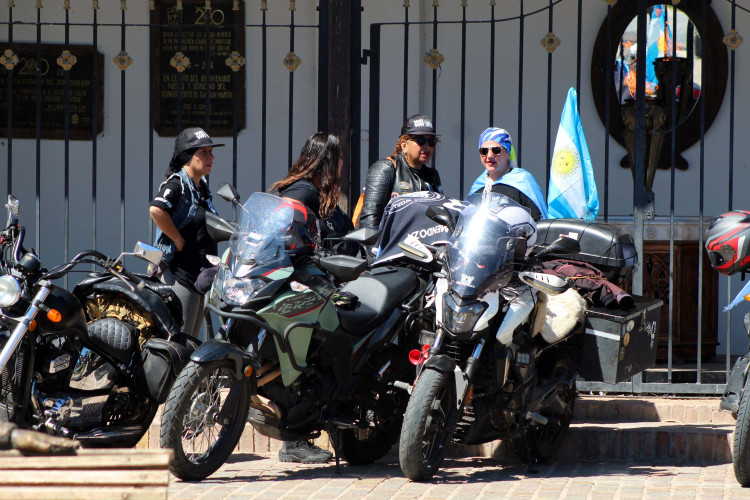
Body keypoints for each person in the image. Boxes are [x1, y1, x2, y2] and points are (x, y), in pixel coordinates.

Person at [266, 132, 345, 464]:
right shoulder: (305, 191)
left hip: (282, 281)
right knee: (324, 348)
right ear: (329, 162)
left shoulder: (292, 186)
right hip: (298, 283)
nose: (342, 165)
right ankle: (296, 437)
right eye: (339, 159)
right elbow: (290, 236)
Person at [149, 127, 224, 338]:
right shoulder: (177, 184)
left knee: (191, 342)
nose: (211, 157)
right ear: (186, 156)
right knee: (178, 342)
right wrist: (177, 238)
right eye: (204, 152)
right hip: (180, 277)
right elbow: (156, 209)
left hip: (198, 277)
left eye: (211, 152)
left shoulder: (200, 188)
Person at [269, 132, 354, 255]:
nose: (342, 162)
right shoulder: (303, 189)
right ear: (330, 161)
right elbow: (284, 218)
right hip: (313, 265)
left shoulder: (322, 192)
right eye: (340, 157)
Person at [357, 114, 443, 229]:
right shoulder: (386, 168)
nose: (427, 146)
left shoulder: (432, 175)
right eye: (421, 140)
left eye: (432, 141)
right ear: (404, 145)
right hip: (392, 239)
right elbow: (369, 220)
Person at [466, 127, 548, 221]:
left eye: (496, 150)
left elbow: (539, 222)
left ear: (507, 153)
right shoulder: (477, 186)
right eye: (484, 151)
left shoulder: (523, 181)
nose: (489, 155)